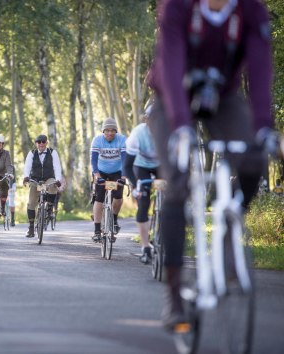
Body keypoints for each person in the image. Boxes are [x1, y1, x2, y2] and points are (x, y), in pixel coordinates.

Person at [148, 0, 275, 330]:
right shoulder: (177, 7)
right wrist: (180, 126)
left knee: (253, 157)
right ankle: (174, 296)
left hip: (222, 96)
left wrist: (264, 127)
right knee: (177, 183)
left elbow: (260, 67)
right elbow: (172, 63)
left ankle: (228, 238)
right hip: (171, 98)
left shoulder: (251, 10)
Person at [123, 105, 159, 264]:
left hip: (162, 165)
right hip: (141, 166)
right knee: (143, 203)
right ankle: (145, 247)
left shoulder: (170, 131)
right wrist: (136, 185)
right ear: (146, 119)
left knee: (172, 197)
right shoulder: (137, 134)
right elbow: (127, 166)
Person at [90, 118, 127, 242]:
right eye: (107, 130)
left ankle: (114, 219)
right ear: (103, 131)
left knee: (118, 198)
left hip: (117, 172)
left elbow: (125, 160)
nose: (110, 133)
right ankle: (96, 231)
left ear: (116, 131)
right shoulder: (97, 140)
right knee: (99, 198)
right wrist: (97, 176)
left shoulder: (122, 139)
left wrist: (123, 177)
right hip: (101, 172)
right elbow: (93, 160)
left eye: (112, 131)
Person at [22, 134, 62, 238]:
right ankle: (31, 227)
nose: (41, 144)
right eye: (39, 142)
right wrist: (26, 177)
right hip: (35, 180)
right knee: (31, 203)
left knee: (53, 185)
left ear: (46, 143)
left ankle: (49, 207)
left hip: (49, 178)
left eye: (43, 142)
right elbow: (27, 166)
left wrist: (58, 179)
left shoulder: (52, 152)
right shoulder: (31, 153)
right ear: (36, 143)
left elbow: (57, 167)